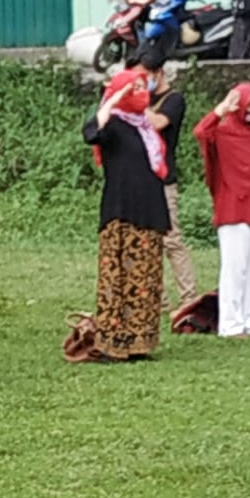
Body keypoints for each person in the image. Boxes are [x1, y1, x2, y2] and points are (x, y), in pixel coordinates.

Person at [81, 68, 171, 362]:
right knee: (119, 278)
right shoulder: (115, 126)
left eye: (142, 88)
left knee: (146, 279)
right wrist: (113, 99)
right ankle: (113, 342)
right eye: (133, 89)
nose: (141, 94)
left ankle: (140, 342)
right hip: (121, 213)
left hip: (148, 212)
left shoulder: (144, 128)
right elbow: (91, 132)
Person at [194, 84, 250, 338]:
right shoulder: (224, 131)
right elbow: (201, 132)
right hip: (232, 207)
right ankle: (229, 323)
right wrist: (219, 111)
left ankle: (245, 318)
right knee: (234, 268)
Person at [138, 51, 198, 309]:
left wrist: (134, 100)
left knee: (171, 240)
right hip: (142, 179)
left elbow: (158, 123)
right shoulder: (144, 98)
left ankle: (189, 297)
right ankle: (158, 300)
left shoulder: (173, 100)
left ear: (158, 72)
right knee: (148, 242)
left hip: (164, 180)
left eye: (144, 76)